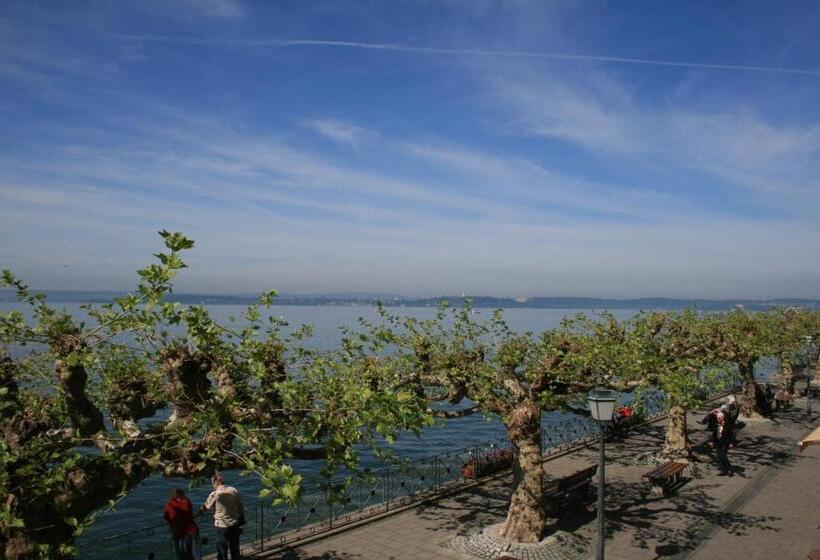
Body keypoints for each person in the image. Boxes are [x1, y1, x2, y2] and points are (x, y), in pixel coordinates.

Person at [201, 472, 244, 560]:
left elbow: (205, 507)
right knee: (235, 548)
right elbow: (240, 506)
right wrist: (242, 517)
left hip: (222, 526)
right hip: (234, 523)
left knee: (222, 549)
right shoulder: (233, 490)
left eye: (212, 483)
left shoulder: (215, 494)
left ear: (215, 482)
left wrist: (195, 514)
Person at [163, 488, 201, 560]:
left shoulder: (170, 504)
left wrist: (172, 524)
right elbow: (190, 514)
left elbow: (167, 517)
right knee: (196, 555)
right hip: (192, 530)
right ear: (182, 494)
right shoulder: (187, 501)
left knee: (181, 555)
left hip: (178, 533)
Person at [714, 409, 734, 476]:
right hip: (718, 442)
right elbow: (714, 434)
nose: (718, 419)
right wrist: (711, 441)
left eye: (719, 418)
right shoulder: (716, 425)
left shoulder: (727, 425)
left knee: (723, 455)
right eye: (717, 418)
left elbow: (731, 434)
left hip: (725, 443)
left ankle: (729, 469)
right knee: (719, 456)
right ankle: (723, 470)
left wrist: (731, 443)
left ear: (723, 418)